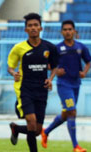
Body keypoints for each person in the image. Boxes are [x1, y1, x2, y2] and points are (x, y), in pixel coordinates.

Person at [8, 13, 59, 152]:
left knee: (36, 130)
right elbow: (10, 67)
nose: (33, 28)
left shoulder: (50, 48)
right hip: (25, 89)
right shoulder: (19, 48)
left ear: (41, 28)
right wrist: (14, 73)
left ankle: (16, 128)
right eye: (30, 26)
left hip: (41, 90)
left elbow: (55, 66)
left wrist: (51, 79)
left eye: (36, 25)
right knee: (31, 121)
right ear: (25, 29)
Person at [41, 20, 90, 152]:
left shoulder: (80, 47)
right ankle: (76, 146)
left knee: (66, 114)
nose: (68, 32)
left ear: (74, 31)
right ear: (61, 32)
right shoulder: (57, 48)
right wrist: (56, 71)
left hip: (76, 84)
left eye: (70, 29)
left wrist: (84, 72)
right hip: (64, 85)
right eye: (65, 29)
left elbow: (88, 61)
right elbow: (48, 65)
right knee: (72, 111)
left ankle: (46, 131)